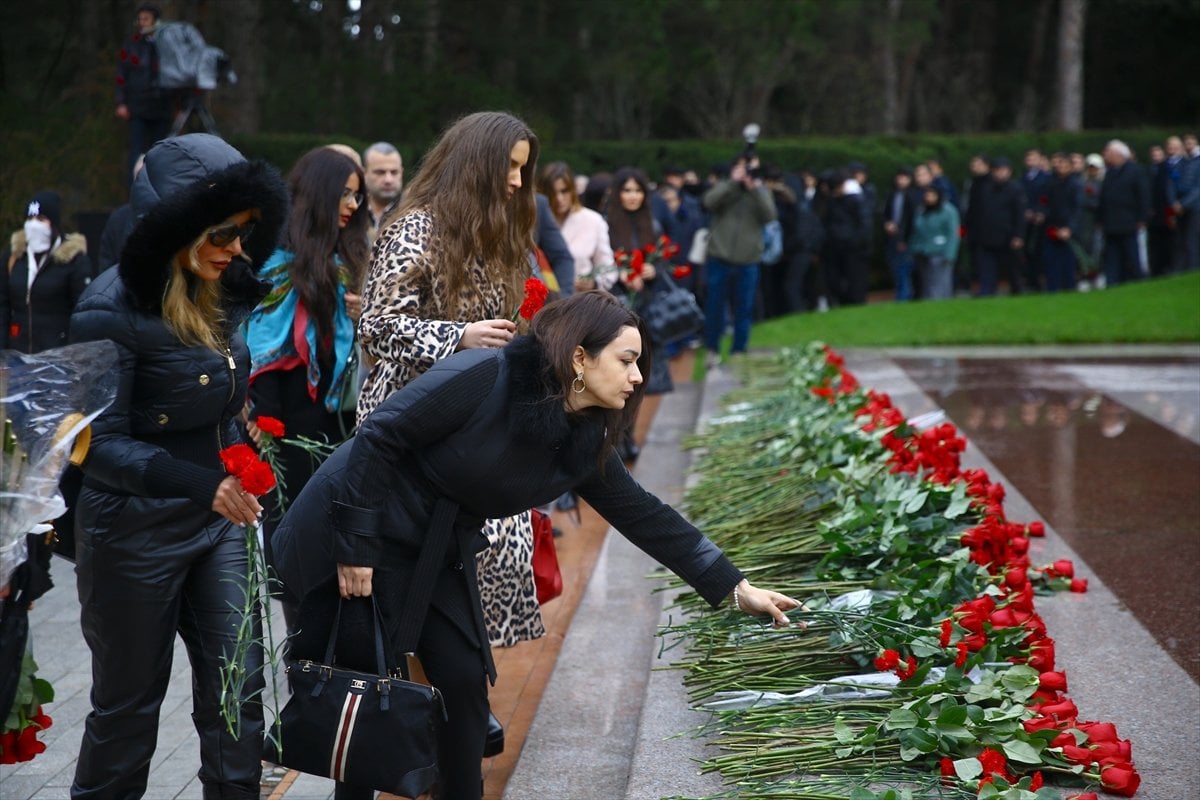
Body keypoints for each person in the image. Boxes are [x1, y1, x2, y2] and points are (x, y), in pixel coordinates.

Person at [270, 289, 800, 800]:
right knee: (361, 691)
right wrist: (356, 546)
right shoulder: (485, 376)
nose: (639, 377)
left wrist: (734, 586)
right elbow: (378, 438)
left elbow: (643, 513)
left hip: (431, 550)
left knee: (462, 688)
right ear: (579, 359)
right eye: (627, 360)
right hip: (348, 529)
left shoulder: (584, 434)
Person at [67, 132, 288, 799]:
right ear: (178, 224)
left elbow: (218, 406)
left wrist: (246, 458)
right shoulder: (107, 308)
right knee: (127, 712)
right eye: (223, 231)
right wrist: (203, 481)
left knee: (237, 696)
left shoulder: (225, 292)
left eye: (248, 231)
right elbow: (91, 443)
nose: (236, 247)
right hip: (129, 532)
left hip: (215, 526)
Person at [355, 113, 545, 761]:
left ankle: (461, 706)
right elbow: (376, 328)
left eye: (525, 167)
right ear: (478, 165)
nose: (520, 181)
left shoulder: (499, 231)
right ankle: (434, 719)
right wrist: (457, 339)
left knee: (483, 567)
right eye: (511, 167)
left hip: (480, 427)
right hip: (415, 431)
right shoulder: (414, 228)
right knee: (419, 587)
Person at [244, 147, 368, 597]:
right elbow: (266, 352)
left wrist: (362, 316)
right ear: (320, 195)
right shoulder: (278, 267)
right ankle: (305, 661)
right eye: (346, 195)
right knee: (300, 562)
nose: (353, 207)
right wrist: (266, 421)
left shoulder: (343, 266)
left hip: (340, 427)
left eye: (358, 197)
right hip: (290, 437)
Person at [604, 166, 672, 452]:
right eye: (627, 190)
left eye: (637, 191)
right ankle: (614, 439)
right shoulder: (606, 224)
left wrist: (651, 270)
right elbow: (600, 262)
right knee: (613, 374)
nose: (632, 196)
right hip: (614, 308)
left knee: (636, 377)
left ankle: (627, 436)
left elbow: (663, 265)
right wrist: (618, 272)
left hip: (644, 310)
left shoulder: (651, 225)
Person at [701, 158, 776, 361]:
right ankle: (712, 349)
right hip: (719, 258)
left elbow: (771, 216)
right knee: (714, 306)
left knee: (744, 308)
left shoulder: (760, 192)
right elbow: (708, 202)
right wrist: (732, 183)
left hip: (748, 260)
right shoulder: (726, 188)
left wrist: (756, 189)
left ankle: (739, 351)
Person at [1, 191, 93, 352]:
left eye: (41, 219)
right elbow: (2, 305)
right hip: (18, 354)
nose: (34, 225)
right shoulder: (14, 256)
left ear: (54, 223)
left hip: (57, 356)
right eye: (30, 219)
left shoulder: (74, 260)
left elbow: (83, 313)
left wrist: (74, 353)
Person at [115, 3, 174, 187]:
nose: (142, 23)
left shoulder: (166, 44)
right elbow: (121, 75)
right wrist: (121, 102)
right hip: (138, 107)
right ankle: (135, 189)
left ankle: (159, 190)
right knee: (136, 151)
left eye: (146, 19)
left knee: (161, 151)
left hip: (162, 107)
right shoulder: (131, 45)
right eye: (140, 19)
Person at [539, 161, 615, 292]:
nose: (559, 198)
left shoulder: (593, 221)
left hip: (581, 303)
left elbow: (607, 267)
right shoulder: (534, 219)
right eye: (552, 193)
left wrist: (594, 283)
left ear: (573, 190)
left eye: (564, 191)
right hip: (542, 302)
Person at [1097, 139, 1150, 286]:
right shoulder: (1109, 173)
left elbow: (1143, 196)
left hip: (1129, 222)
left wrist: (1142, 218)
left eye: (1107, 152)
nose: (1105, 155)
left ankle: (1137, 282)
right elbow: (1103, 198)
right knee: (1112, 257)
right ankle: (1113, 282)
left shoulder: (1135, 171)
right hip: (1110, 224)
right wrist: (1100, 219)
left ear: (1117, 154)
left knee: (1131, 255)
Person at [972, 157, 1026, 296]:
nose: (1000, 173)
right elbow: (977, 212)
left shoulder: (1015, 189)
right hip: (987, 237)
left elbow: (1019, 214)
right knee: (987, 271)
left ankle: (1017, 292)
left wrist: (1018, 236)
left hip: (1007, 238)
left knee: (1012, 271)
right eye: (997, 170)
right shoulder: (984, 188)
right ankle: (987, 293)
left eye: (1003, 170)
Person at [1041, 152, 1084, 292]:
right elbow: (1045, 202)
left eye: (1065, 165)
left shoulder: (1075, 184)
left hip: (1067, 228)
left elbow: (1077, 208)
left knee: (1068, 261)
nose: (1061, 168)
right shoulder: (1051, 183)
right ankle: (1053, 287)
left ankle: (1069, 287)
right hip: (1052, 226)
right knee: (1051, 260)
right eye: (1059, 165)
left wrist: (1070, 228)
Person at [910, 185, 960, 300]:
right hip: (923, 251)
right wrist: (914, 248)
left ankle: (940, 303)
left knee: (939, 282)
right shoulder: (922, 210)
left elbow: (953, 234)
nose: (929, 198)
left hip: (940, 251)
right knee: (927, 282)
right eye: (927, 195)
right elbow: (917, 231)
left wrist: (950, 254)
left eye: (932, 195)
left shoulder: (948, 211)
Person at [882, 167, 919, 301]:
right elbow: (885, 214)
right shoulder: (892, 195)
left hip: (905, 239)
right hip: (892, 237)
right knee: (895, 269)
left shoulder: (912, 195)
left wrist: (904, 239)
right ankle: (901, 295)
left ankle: (904, 297)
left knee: (903, 269)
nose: (901, 181)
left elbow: (911, 220)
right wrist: (887, 224)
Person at [361, 141, 403, 241]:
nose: (388, 180)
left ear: (402, 173)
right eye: (380, 172)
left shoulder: (412, 212)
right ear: (364, 173)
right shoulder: (352, 210)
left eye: (394, 172)